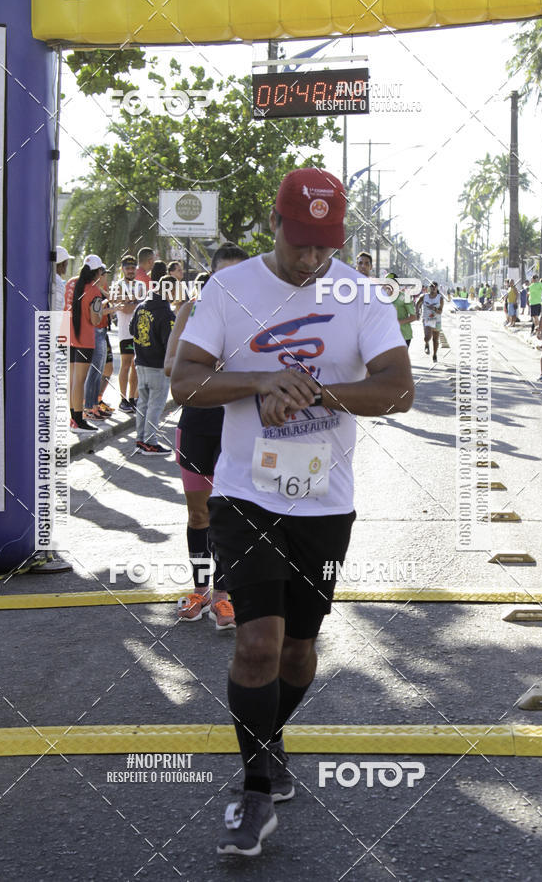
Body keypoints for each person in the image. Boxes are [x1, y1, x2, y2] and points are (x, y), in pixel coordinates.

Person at [171, 167, 414, 857]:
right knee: (257, 644)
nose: (311, 259)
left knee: (300, 650)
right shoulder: (231, 288)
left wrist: (317, 394)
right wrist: (259, 382)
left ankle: (269, 736)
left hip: (324, 504)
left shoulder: (361, 296)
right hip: (246, 494)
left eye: (325, 245)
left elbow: (398, 390)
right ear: (274, 225)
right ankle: (252, 791)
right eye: (300, 242)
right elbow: (187, 381)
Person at [164, 243, 249, 631]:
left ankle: (223, 596)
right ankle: (200, 590)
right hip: (198, 424)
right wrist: (210, 366)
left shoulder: (258, 318)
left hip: (241, 427)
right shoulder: (190, 311)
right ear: (211, 277)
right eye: (222, 276)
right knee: (199, 515)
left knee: (232, 516)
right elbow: (170, 366)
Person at [130, 260, 175, 454]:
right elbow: (170, 344)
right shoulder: (166, 314)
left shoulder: (141, 307)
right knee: (155, 406)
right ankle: (150, 441)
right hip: (158, 365)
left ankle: (141, 439)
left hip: (141, 362)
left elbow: (133, 330)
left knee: (143, 403)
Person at [64, 254, 107, 431]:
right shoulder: (94, 291)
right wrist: (104, 305)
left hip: (68, 335)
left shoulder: (70, 283)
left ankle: (74, 418)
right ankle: (78, 420)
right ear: (97, 272)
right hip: (84, 338)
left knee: (73, 380)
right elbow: (96, 320)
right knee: (79, 381)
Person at [83, 264, 120, 422]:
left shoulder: (98, 289)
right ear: (98, 274)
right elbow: (95, 314)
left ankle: (94, 405)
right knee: (94, 372)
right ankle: (89, 407)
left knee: (98, 372)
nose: (106, 277)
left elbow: (106, 301)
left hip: (101, 330)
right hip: (96, 331)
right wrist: (112, 309)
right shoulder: (92, 289)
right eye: (104, 274)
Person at [113, 255, 140, 413]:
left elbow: (133, 306)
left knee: (135, 366)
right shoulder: (118, 285)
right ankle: (123, 399)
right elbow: (126, 308)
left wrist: (131, 301)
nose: (130, 270)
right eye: (127, 268)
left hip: (138, 333)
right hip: (125, 333)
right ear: (122, 269)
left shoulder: (141, 285)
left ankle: (132, 398)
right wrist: (134, 302)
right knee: (125, 365)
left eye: (132, 267)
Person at [384, 273, 417, 348]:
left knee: (399, 360)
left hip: (404, 335)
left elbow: (414, 317)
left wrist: (398, 322)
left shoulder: (405, 297)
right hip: (388, 336)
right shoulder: (383, 298)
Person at [417, 281, 443, 361]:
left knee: (435, 339)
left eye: (435, 286)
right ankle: (426, 343)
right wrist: (417, 312)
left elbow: (440, 311)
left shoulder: (440, 298)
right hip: (427, 319)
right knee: (427, 337)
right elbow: (417, 304)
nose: (433, 288)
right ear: (429, 287)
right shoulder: (424, 297)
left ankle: (434, 354)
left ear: (437, 288)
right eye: (431, 286)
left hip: (437, 320)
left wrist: (434, 309)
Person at [54, 245, 73, 312]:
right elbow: (57, 311)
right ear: (63, 263)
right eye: (67, 262)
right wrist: (65, 322)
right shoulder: (58, 283)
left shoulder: (50, 279)